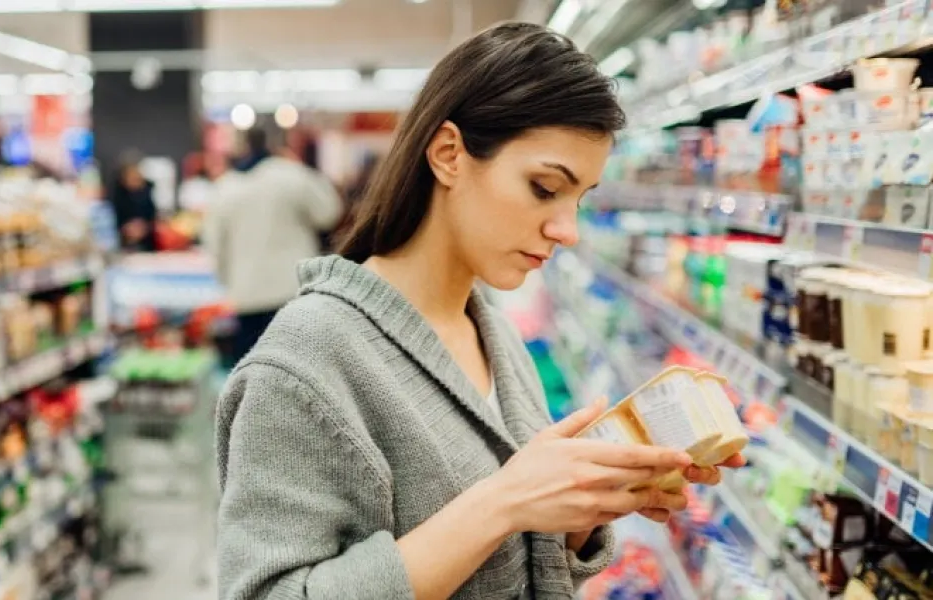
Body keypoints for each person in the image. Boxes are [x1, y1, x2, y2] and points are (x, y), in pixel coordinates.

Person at [215, 22, 745, 600]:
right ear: (448, 155)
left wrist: (578, 511)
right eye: (545, 188)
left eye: (579, 199)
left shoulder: (489, 330)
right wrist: (505, 500)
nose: (566, 230)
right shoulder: (305, 361)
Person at [203, 128, 342, 368]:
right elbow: (329, 212)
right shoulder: (292, 175)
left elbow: (214, 245)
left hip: (247, 296)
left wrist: (228, 283)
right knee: (302, 373)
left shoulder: (224, 188)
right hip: (294, 289)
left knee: (252, 377)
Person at [107, 151, 158, 252]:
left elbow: (154, 217)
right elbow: (110, 221)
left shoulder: (148, 191)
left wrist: (145, 227)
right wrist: (125, 230)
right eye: (131, 175)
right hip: (120, 245)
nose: (135, 178)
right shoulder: (115, 195)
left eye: (137, 174)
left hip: (147, 246)